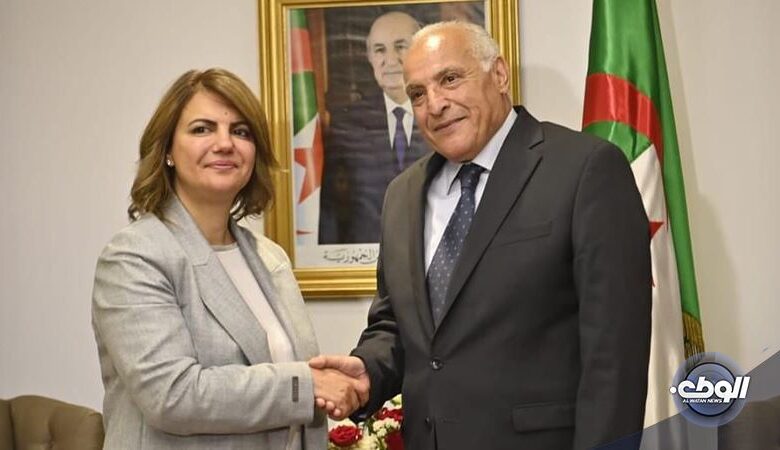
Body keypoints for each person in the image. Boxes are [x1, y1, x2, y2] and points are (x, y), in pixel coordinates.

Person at [310, 22, 652, 450]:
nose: (435, 104)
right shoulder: (402, 195)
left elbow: (615, 358)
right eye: (417, 94)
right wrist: (368, 370)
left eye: (450, 79)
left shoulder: (585, 170)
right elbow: (398, 325)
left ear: (500, 74)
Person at [92, 68, 367, 449]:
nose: (224, 144)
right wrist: (308, 385)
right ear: (167, 151)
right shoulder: (134, 257)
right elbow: (172, 395)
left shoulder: (268, 257)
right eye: (202, 129)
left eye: (240, 131)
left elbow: (293, 383)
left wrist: (329, 384)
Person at [318, 11, 433, 244]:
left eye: (401, 47)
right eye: (380, 50)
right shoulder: (347, 123)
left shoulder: (444, 114)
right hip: (368, 254)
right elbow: (330, 204)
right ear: (369, 56)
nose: (390, 60)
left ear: (420, 51)